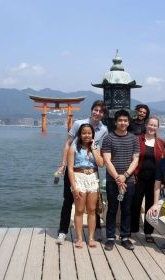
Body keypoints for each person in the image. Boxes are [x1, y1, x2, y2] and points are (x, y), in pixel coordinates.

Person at [55, 100, 108, 245]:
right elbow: (68, 143)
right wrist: (63, 164)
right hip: (74, 167)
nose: (97, 113)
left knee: (93, 205)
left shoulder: (104, 130)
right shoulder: (79, 123)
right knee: (68, 200)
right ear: (91, 110)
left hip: (92, 169)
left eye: (101, 111)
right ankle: (62, 231)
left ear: (103, 114)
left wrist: (95, 152)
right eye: (95, 110)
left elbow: (99, 150)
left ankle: (95, 231)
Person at [102, 109, 140, 251]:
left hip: (129, 180)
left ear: (128, 122)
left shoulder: (134, 138)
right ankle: (110, 238)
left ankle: (124, 237)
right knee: (112, 209)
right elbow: (107, 160)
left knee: (127, 209)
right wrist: (118, 178)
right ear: (115, 122)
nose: (123, 123)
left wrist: (125, 175)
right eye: (120, 120)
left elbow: (135, 159)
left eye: (125, 120)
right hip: (112, 180)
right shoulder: (108, 138)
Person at [67, 124, 104, 248]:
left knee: (92, 210)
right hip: (79, 178)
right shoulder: (73, 148)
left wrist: (93, 149)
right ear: (80, 134)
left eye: (89, 133)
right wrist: (74, 186)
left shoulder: (96, 147)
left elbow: (101, 164)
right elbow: (70, 169)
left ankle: (91, 238)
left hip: (93, 178)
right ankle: (79, 238)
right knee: (79, 210)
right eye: (84, 133)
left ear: (92, 135)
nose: (87, 135)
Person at [131, 116, 165, 243]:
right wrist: (132, 174)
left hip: (154, 180)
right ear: (146, 125)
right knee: (135, 204)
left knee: (151, 205)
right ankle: (133, 229)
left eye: (154, 125)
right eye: (150, 125)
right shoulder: (137, 140)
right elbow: (132, 158)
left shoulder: (160, 143)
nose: (152, 127)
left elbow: (164, 163)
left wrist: (163, 182)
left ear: (157, 128)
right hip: (138, 177)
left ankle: (148, 232)